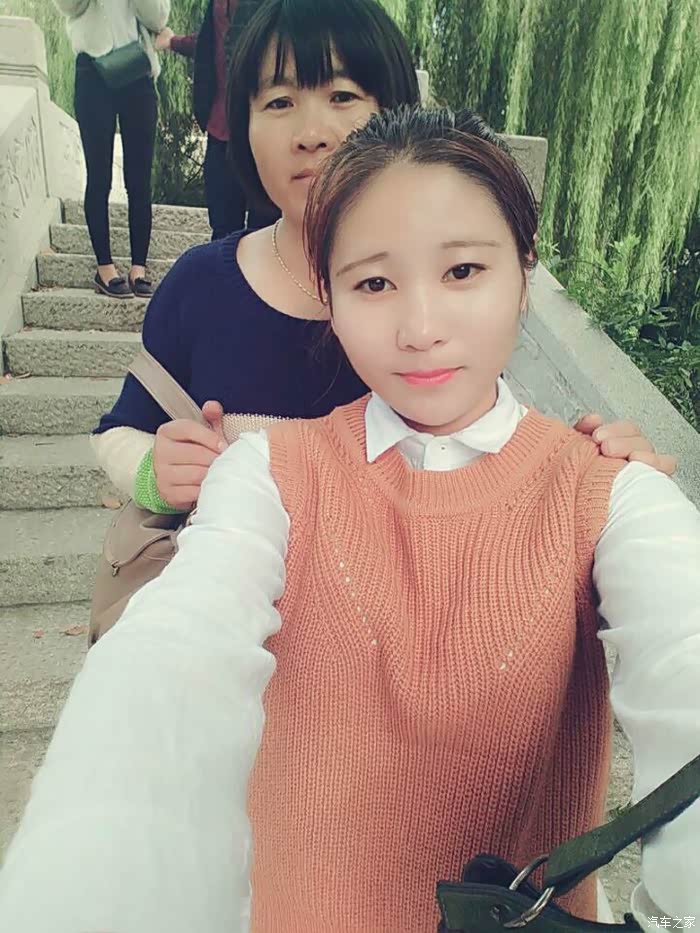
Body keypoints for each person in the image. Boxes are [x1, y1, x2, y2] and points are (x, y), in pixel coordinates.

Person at [0, 105, 697, 933]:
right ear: (327, 296)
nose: (421, 328)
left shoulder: (608, 492)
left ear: (524, 269)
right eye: (374, 283)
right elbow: (174, 651)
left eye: (463, 270)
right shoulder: (269, 474)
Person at [90, 0, 675, 519]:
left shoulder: (444, 305)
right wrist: (156, 475)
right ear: (242, 127)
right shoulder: (201, 286)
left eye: (342, 96)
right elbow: (118, 432)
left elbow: (489, 457)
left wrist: (594, 478)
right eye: (279, 101)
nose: (311, 133)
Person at [54, 0, 170, 298]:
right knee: (99, 176)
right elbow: (69, 7)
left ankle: (139, 267)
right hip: (93, 71)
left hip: (137, 71)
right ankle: (104, 268)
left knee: (139, 179)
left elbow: (158, 18)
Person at [155, 0, 278, 237]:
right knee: (223, 228)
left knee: (264, 228)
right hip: (221, 129)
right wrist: (173, 41)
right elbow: (211, 46)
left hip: (263, 128)